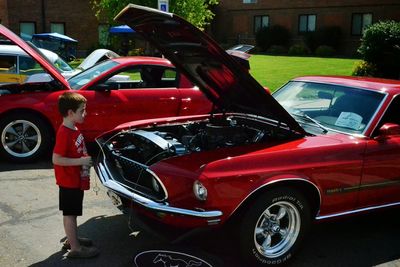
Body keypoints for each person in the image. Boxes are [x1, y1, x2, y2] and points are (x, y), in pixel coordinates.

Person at [52, 91, 100, 258]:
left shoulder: (73, 128)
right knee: (70, 214)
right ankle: (75, 249)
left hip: (75, 180)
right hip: (68, 181)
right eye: (82, 110)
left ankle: (72, 239)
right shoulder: (64, 133)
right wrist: (81, 162)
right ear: (71, 113)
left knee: (73, 212)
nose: (85, 113)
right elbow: (56, 159)